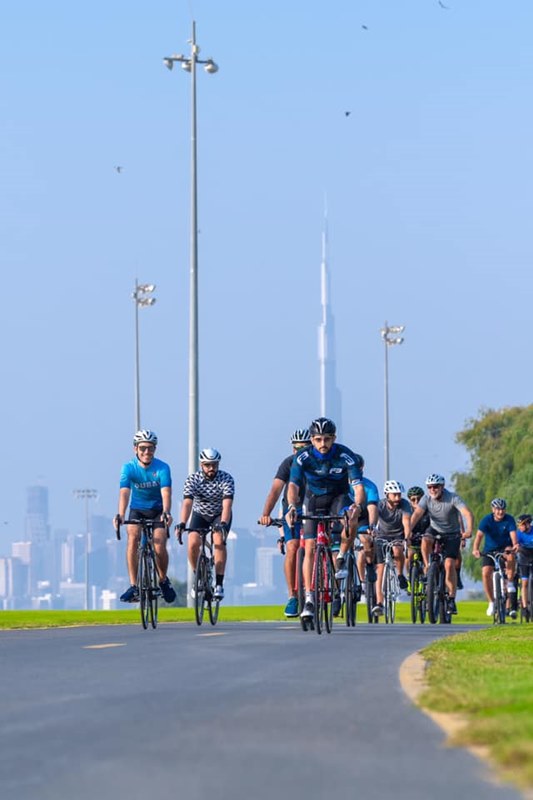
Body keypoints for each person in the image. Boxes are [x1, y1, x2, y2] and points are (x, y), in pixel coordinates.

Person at [285, 417, 365, 620]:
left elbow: (358, 487)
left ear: (334, 439)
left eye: (327, 439)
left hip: (338, 497)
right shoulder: (302, 457)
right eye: (318, 439)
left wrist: (356, 506)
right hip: (313, 499)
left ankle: (341, 556)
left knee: (350, 519)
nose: (323, 444)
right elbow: (293, 486)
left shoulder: (345, 455)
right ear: (312, 440)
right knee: (309, 547)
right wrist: (293, 506)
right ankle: (310, 599)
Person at [114, 429, 176, 604]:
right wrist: (120, 514)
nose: (146, 452)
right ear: (135, 449)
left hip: (157, 510)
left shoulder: (162, 467)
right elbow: (124, 493)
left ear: (155, 449)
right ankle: (134, 585)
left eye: (150, 448)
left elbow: (166, 493)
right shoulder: (128, 468)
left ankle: (163, 580)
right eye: (142, 448)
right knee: (132, 538)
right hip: (137, 509)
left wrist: (166, 512)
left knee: (159, 544)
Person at [259, 428, 311, 617]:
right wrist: (266, 513)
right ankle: (292, 596)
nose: (300, 452)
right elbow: (275, 490)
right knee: (292, 547)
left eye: (305, 448)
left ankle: (327, 584)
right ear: (292, 449)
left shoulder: (319, 463)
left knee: (322, 544)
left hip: (315, 508)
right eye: (297, 449)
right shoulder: (287, 464)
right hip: (293, 510)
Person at [410, 474, 473, 616]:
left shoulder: (452, 498)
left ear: (442, 487)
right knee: (425, 540)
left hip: (452, 533)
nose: (432, 489)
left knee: (450, 564)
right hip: (435, 529)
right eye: (430, 487)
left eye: (435, 487)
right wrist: (408, 531)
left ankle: (451, 599)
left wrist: (468, 530)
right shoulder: (426, 499)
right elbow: (416, 515)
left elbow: (467, 513)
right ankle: (427, 567)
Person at [176, 448, 234, 601]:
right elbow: (187, 503)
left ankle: (219, 584)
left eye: (214, 465)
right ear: (201, 465)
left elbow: (227, 505)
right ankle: (198, 576)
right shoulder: (192, 479)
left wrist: (222, 524)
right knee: (193, 542)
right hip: (200, 514)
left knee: (218, 542)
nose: (211, 469)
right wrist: (182, 523)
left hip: (219, 514)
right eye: (207, 465)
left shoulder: (226, 479)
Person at [370, 481, 411, 616]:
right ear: (387, 494)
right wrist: (373, 530)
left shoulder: (404, 505)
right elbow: (374, 518)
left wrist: (407, 536)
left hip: (397, 536)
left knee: (398, 551)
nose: (398, 498)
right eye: (395, 495)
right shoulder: (380, 505)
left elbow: (406, 521)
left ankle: (399, 575)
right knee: (380, 569)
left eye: (399, 494)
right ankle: (379, 603)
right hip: (382, 536)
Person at [472, 498, 518, 617]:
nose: (500, 512)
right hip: (490, 550)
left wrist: (515, 544)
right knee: (486, 573)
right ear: (493, 510)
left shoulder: (509, 519)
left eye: (502, 509)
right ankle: (491, 602)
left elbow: (513, 535)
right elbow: (478, 536)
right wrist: (475, 549)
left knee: (511, 556)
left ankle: (510, 581)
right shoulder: (486, 520)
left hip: (505, 548)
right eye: (497, 509)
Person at [516, 514, 533, 619]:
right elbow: (515, 545)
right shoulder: (518, 534)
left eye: (522, 525)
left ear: (528, 524)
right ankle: (525, 607)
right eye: (519, 525)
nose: (520, 527)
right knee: (525, 582)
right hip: (524, 556)